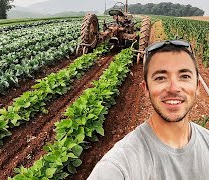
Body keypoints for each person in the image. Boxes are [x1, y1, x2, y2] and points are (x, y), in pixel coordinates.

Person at [87, 40, 209, 180]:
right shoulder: (119, 166)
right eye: (160, 78)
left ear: (198, 87)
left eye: (184, 76)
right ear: (146, 89)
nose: (173, 88)